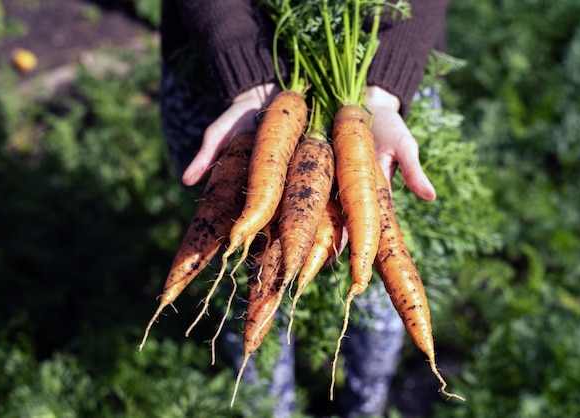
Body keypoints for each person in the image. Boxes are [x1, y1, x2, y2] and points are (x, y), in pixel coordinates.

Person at [158, 1, 450, 416]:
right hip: (222, 68)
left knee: (376, 259)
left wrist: (380, 99)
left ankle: (367, 400)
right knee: (238, 254)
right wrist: (247, 78)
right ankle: (265, 402)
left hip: (382, 76)